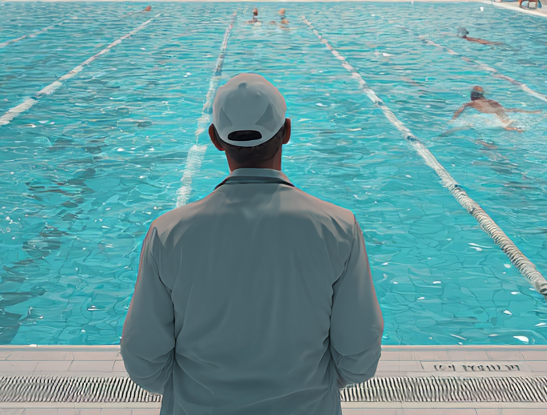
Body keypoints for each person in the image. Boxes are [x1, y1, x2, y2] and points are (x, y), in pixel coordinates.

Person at [121, 74, 383, 413]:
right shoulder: (338, 227)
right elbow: (359, 353)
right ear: (286, 132)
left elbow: (142, 357)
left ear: (215, 138)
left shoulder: (169, 231)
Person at [449, 86, 539, 133]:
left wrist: (453, 119)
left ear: (472, 96)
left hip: (491, 120)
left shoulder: (471, 103)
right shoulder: (491, 101)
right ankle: (511, 126)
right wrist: (531, 112)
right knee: (505, 120)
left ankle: (510, 128)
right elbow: (504, 110)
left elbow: (460, 110)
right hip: (503, 117)